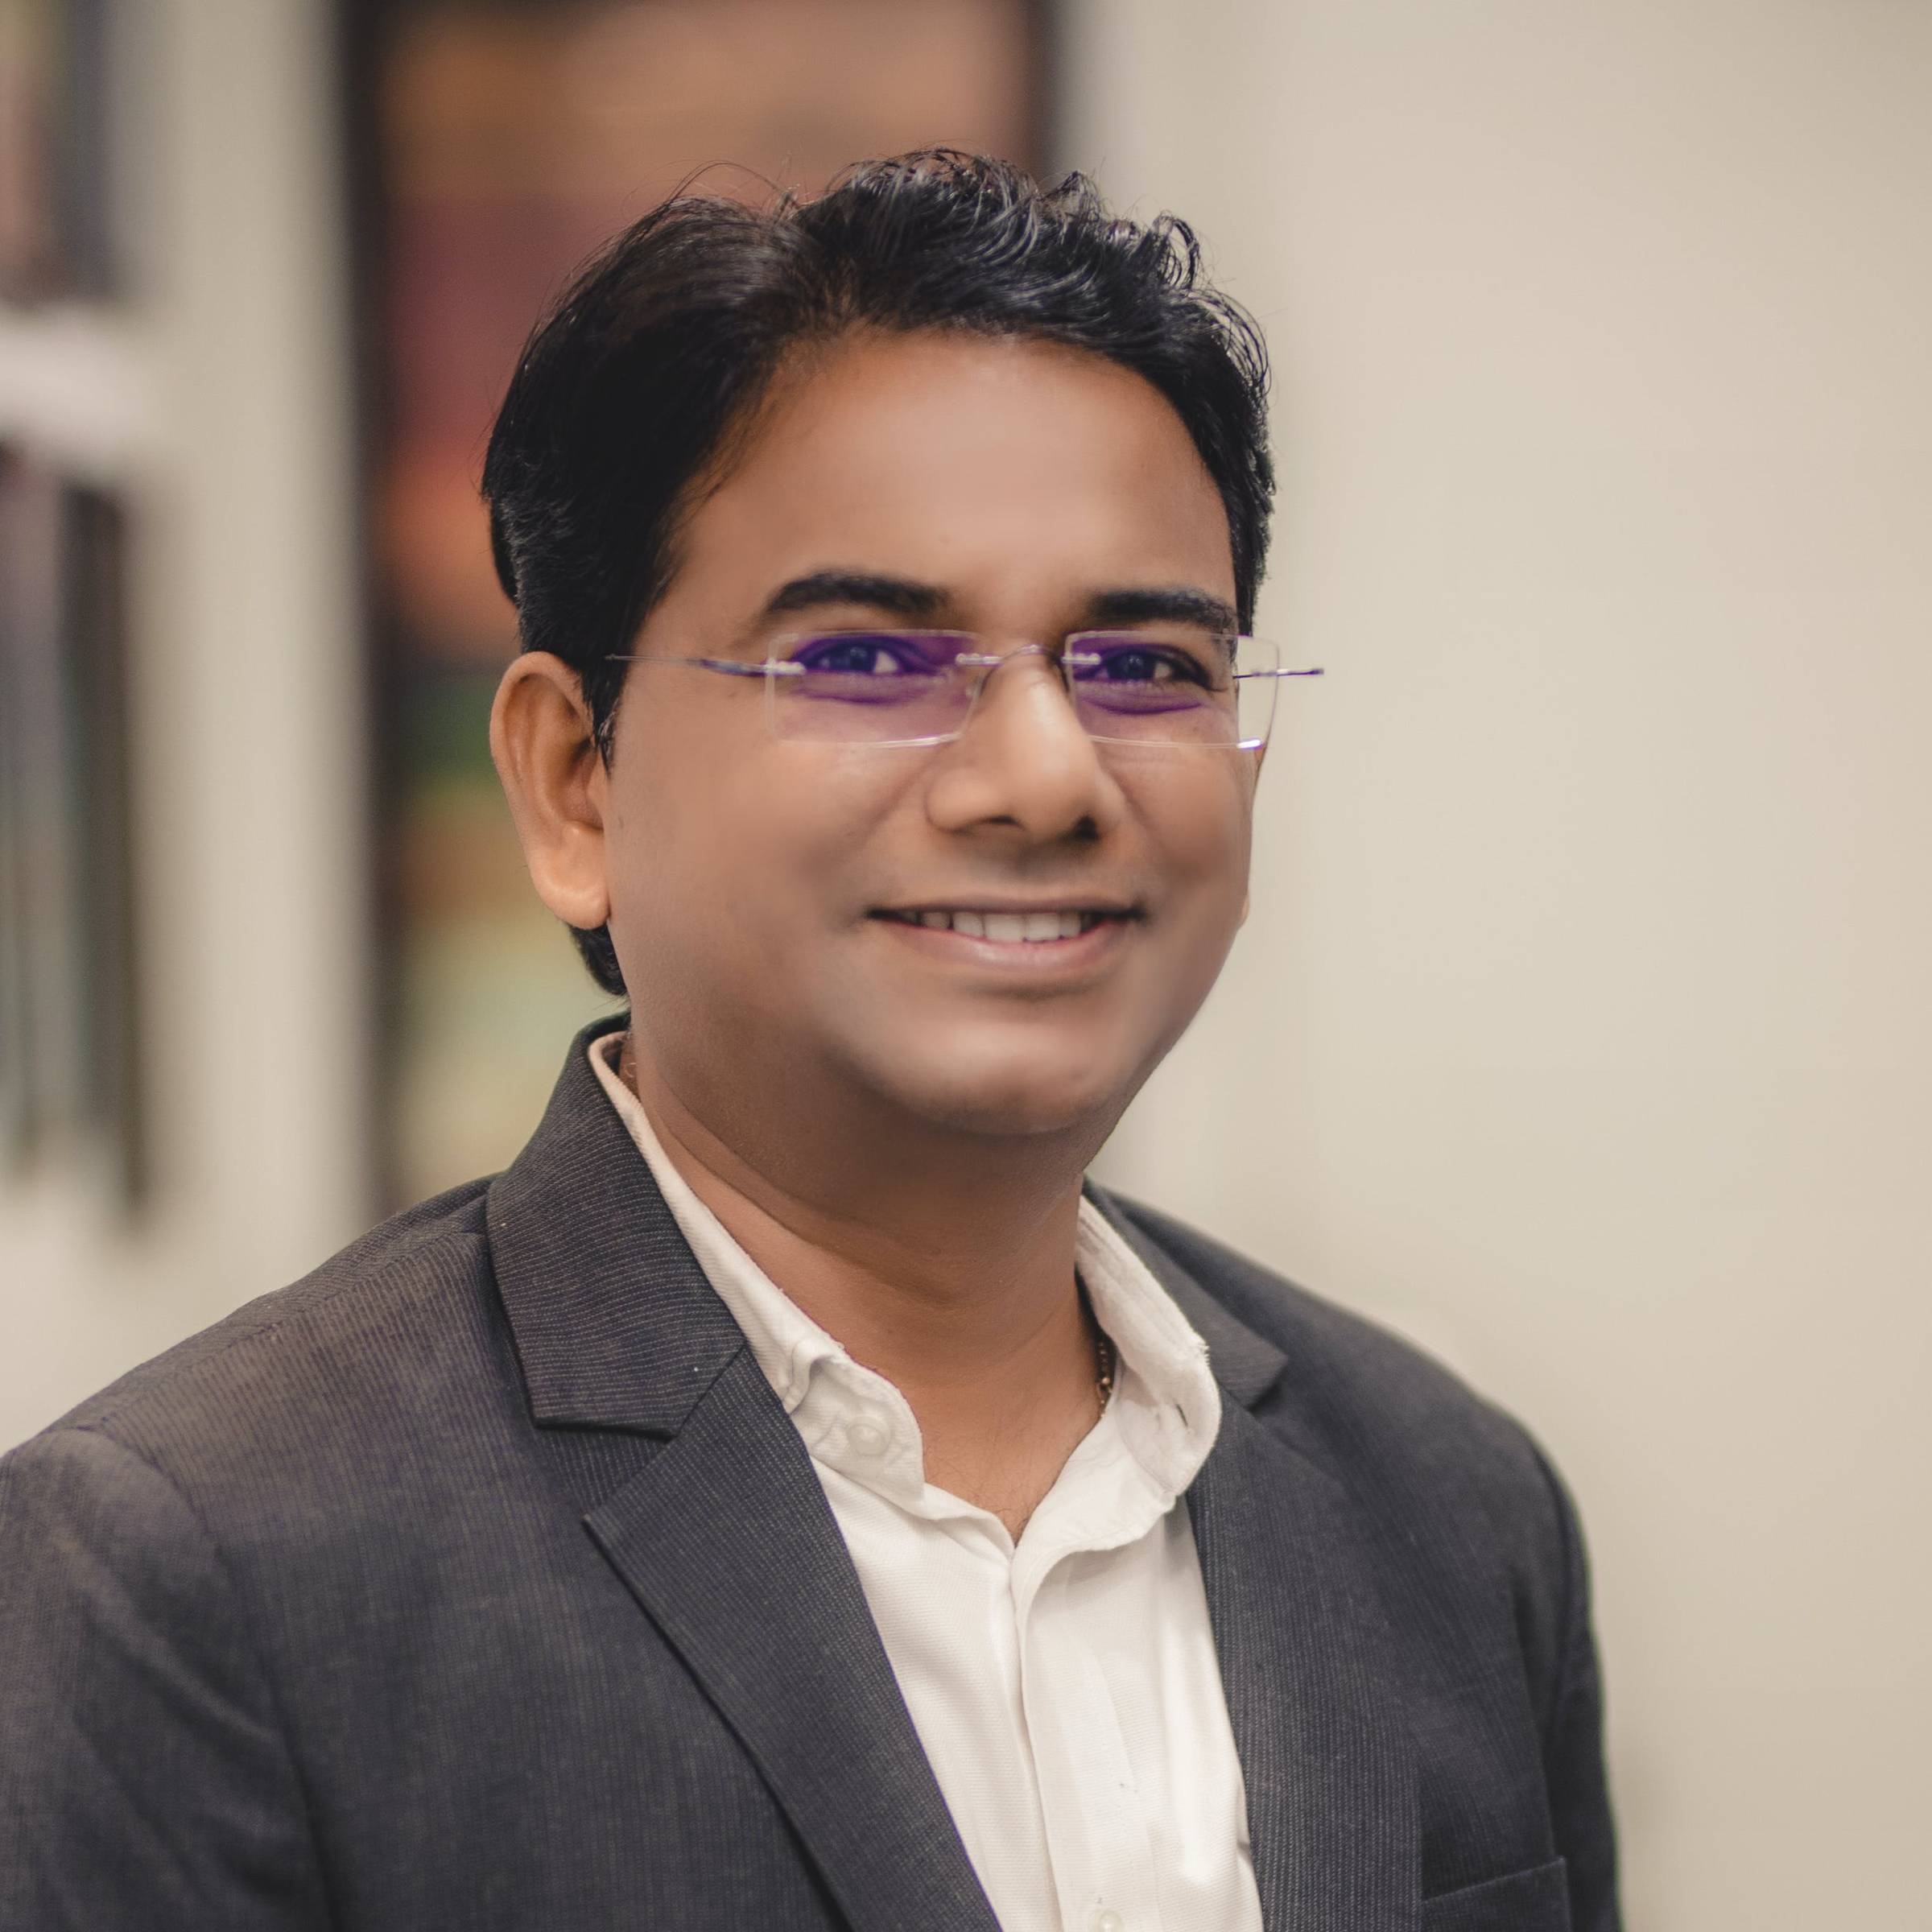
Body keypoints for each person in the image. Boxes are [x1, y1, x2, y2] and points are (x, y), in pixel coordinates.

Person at [0, 152, 1617, 1931]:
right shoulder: (196, 1571)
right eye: (867, 662)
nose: (1045, 779)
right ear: (574, 782)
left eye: (1146, 668)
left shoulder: (1448, 1503)